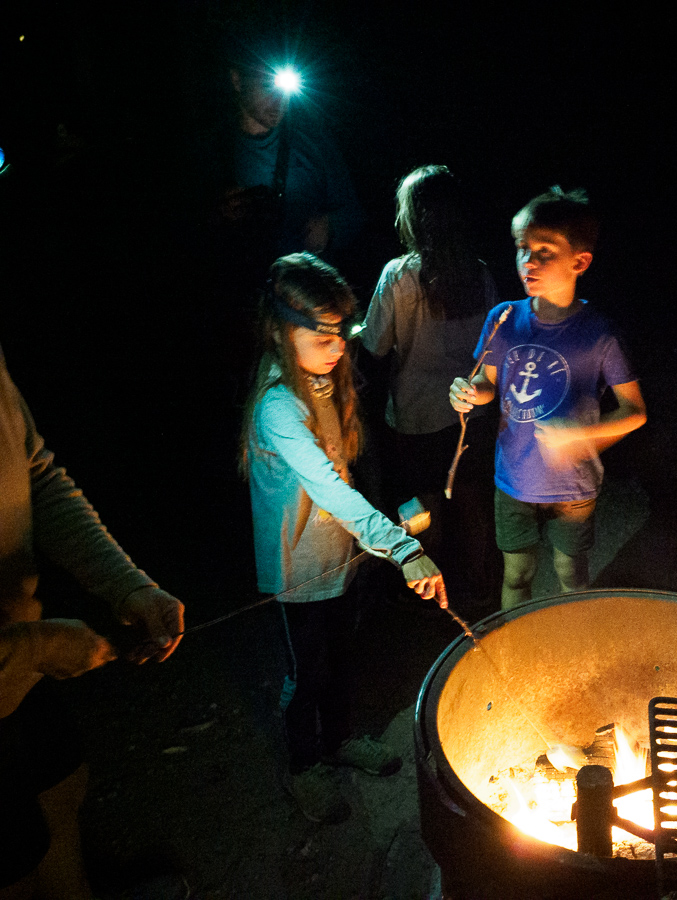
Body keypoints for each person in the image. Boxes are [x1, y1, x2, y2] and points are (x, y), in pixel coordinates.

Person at [242, 253, 446, 824]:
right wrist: (402, 548)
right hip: (297, 570)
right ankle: (302, 766)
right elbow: (328, 486)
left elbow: (343, 473)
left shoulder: (321, 380)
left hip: (338, 557)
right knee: (305, 672)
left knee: (340, 658)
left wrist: (381, 530)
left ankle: (337, 742)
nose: (338, 349)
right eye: (322, 337)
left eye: (341, 333)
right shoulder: (279, 406)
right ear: (281, 331)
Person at [0, 348, 185, 900]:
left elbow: (37, 476)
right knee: (15, 860)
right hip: (17, 654)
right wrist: (34, 648)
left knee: (60, 783)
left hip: (20, 660)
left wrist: (129, 586)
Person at [449, 188, 647, 609]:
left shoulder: (599, 334)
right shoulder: (503, 318)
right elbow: (488, 383)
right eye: (522, 248)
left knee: (570, 574)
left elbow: (635, 412)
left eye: (544, 252)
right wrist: (470, 392)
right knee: (516, 575)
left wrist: (580, 434)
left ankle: (572, 643)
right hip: (513, 479)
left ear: (580, 262)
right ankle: (515, 645)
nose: (528, 261)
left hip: (573, 486)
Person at [360, 165, 499, 605]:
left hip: (415, 414)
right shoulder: (480, 274)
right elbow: (495, 347)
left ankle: (429, 595)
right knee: (472, 501)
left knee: (423, 505)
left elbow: (375, 345)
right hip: (471, 412)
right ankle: (479, 588)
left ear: (412, 217)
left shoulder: (398, 276)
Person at [220, 51, 363, 268]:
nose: (279, 100)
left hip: (305, 282)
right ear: (237, 80)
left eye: (285, 89)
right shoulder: (214, 150)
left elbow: (354, 212)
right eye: (267, 86)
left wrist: (330, 228)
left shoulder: (313, 141)